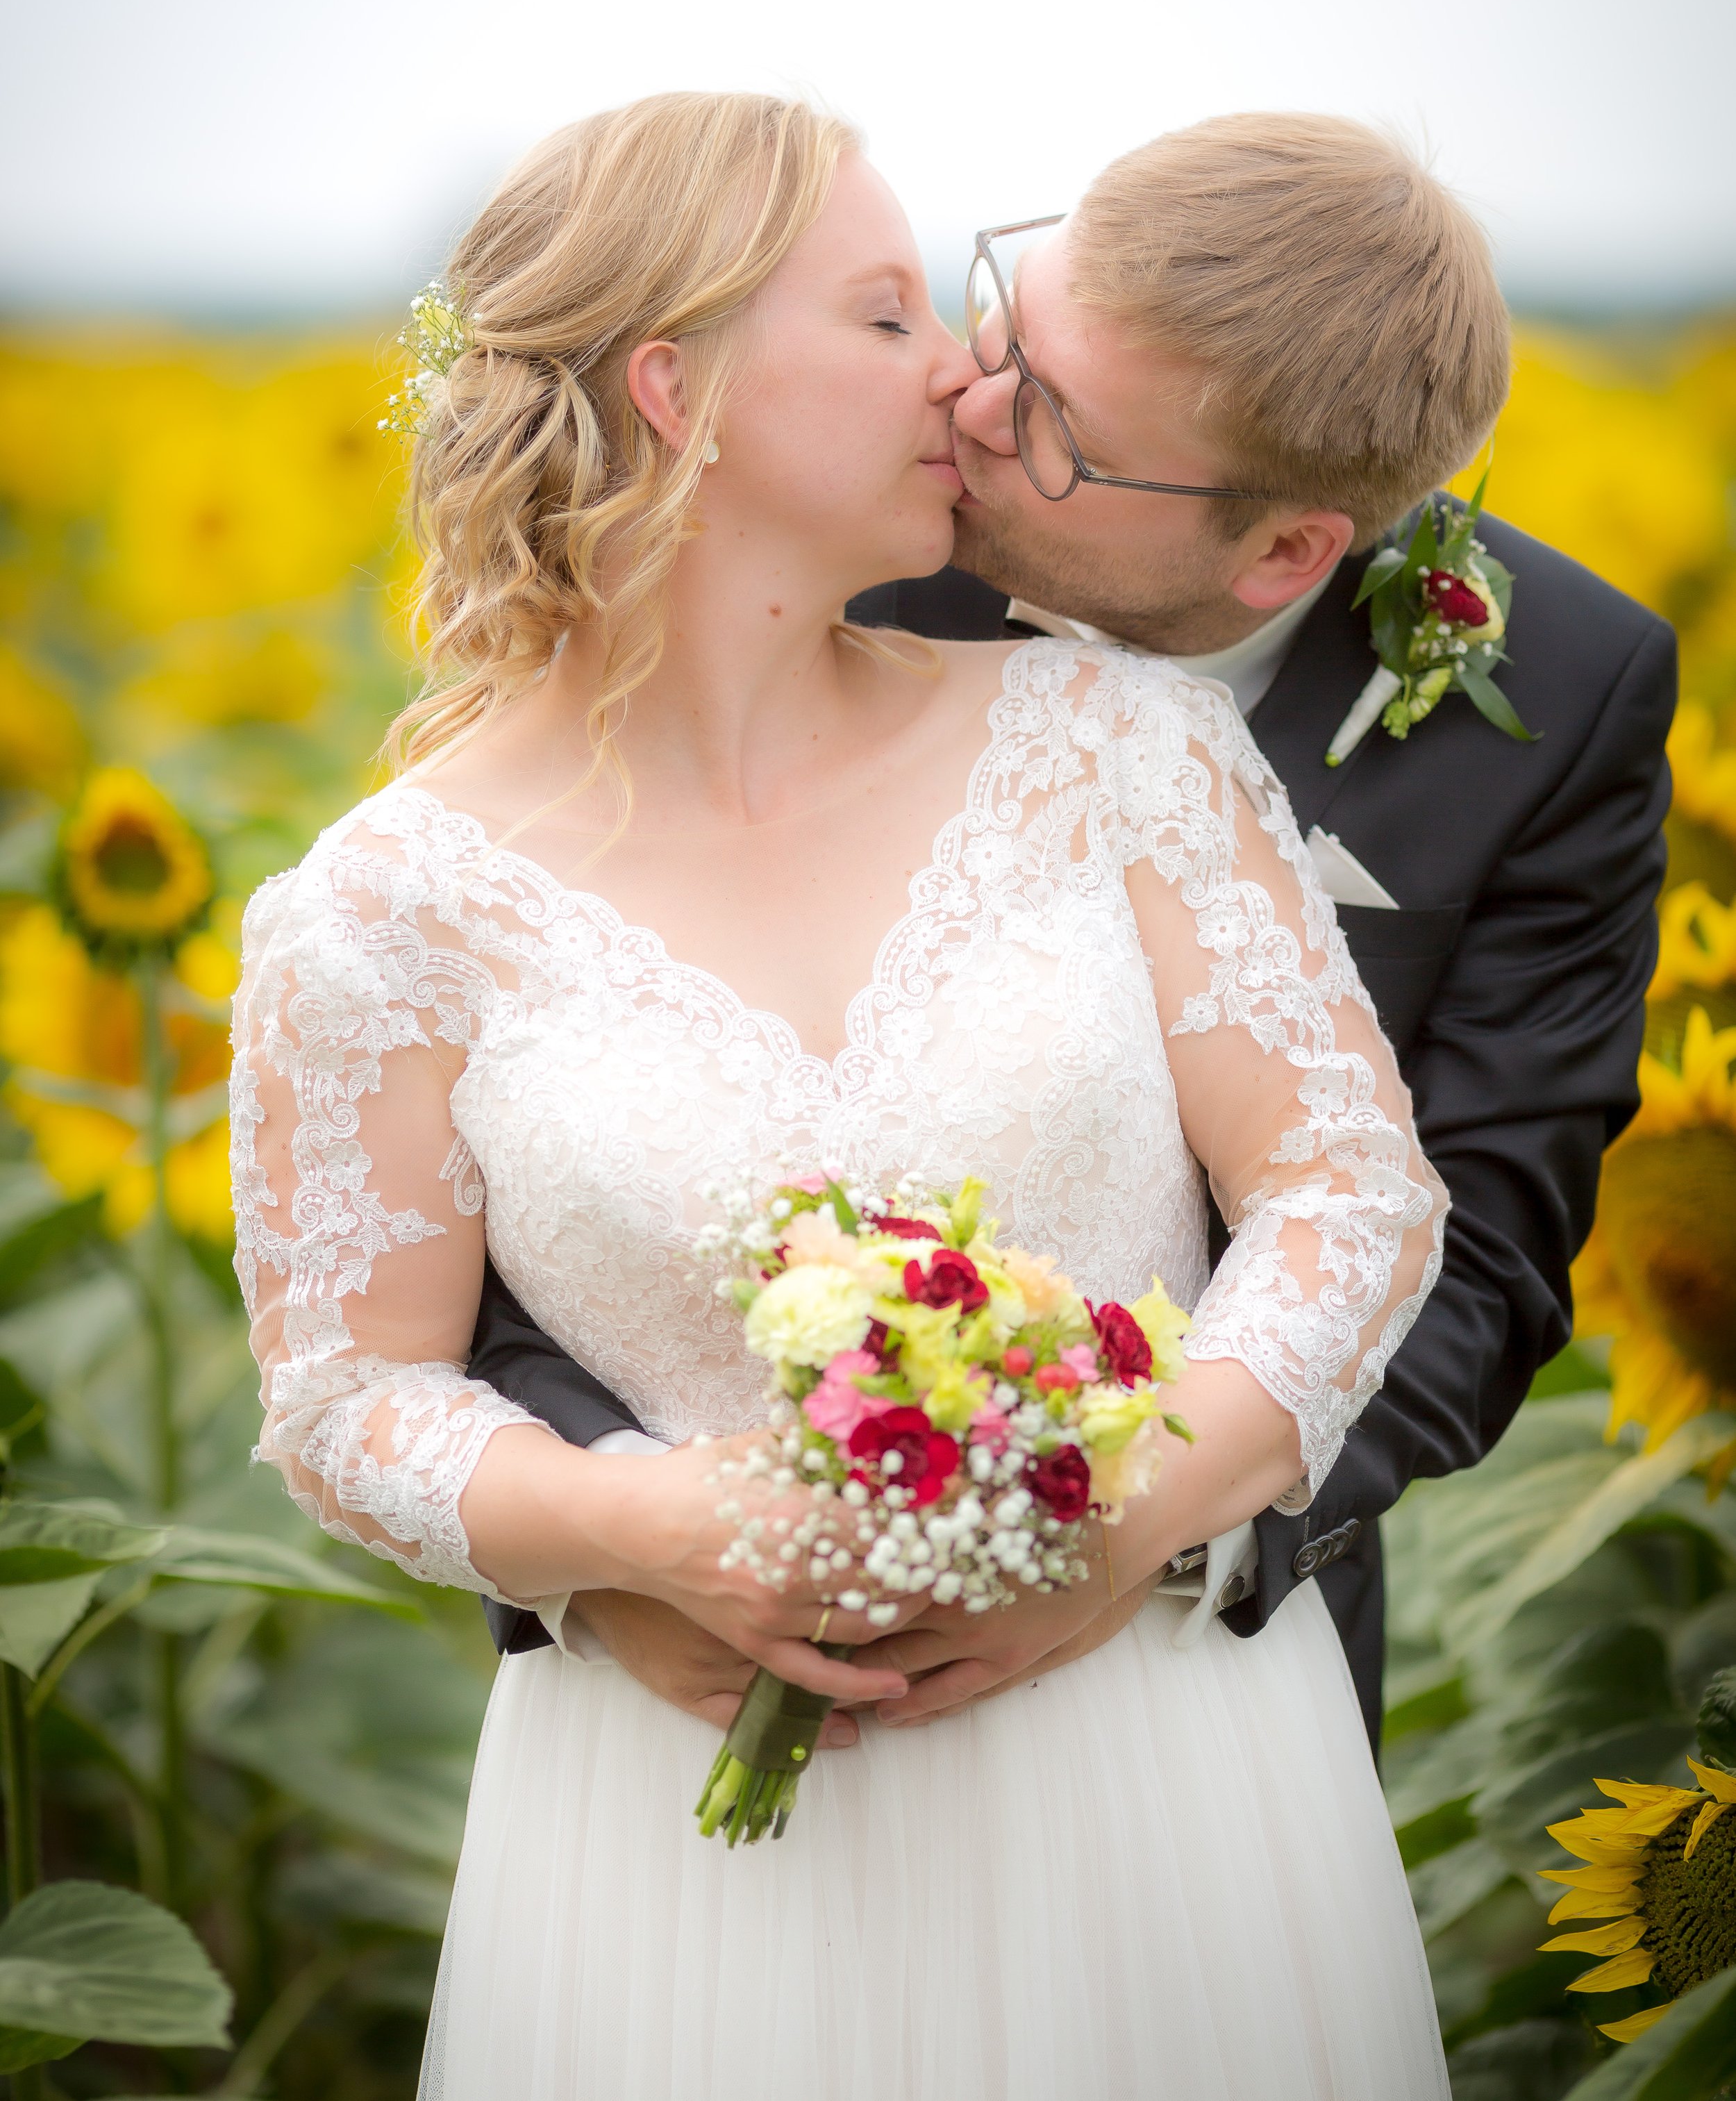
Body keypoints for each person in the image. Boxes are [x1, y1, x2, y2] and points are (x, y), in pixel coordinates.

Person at [232, 92, 1455, 2098]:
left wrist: (1123, 1511)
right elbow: (345, 1397)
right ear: (674, 386)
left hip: (1150, 1776)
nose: (969, 370)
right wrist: (646, 1525)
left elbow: (1350, 1191)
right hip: (676, 1846)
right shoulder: (379, 908)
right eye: (888, 315)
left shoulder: (1118, 742)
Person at [473, 113, 1674, 1755]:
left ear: (1284, 550)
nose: (963, 407)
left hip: (1197, 1676)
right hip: (685, 1661)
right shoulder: (839, 555)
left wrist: (1142, 1533)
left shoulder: (1556, 699)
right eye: (1002, 325)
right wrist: (611, 1549)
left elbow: (1482, 1246)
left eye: (1050, 425)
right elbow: (542, 1101)